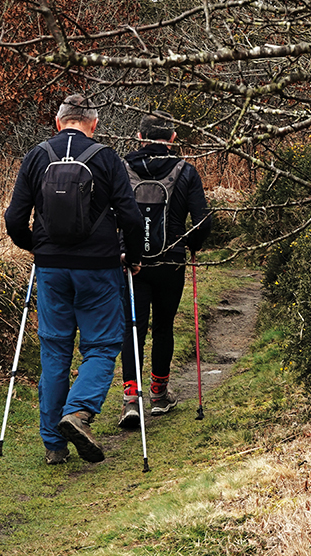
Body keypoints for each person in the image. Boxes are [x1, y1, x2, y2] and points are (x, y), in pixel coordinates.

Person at [4, 94, 144, 465]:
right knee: (101, 345)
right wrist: (133, 256)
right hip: (98, 266)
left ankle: (54, 445)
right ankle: (78, 412)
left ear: (58, 121)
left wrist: (36, 246)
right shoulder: (106, 158)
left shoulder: (37, 155)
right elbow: (130, 217)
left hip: (51, 267)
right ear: (93, 124)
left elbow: (14, 218)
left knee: (54, 350)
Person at [117, 111, 212, 430]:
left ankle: (132, 399)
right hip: (171, 260)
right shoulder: (186, 171)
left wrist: (119, 247)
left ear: (140, 137)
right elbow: (201, 220)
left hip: (132, 262)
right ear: (172, 138)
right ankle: (159, 395)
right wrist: (193, 245)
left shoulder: (123, 167)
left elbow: (108, 212)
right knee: (164, 326)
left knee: (133, 328)